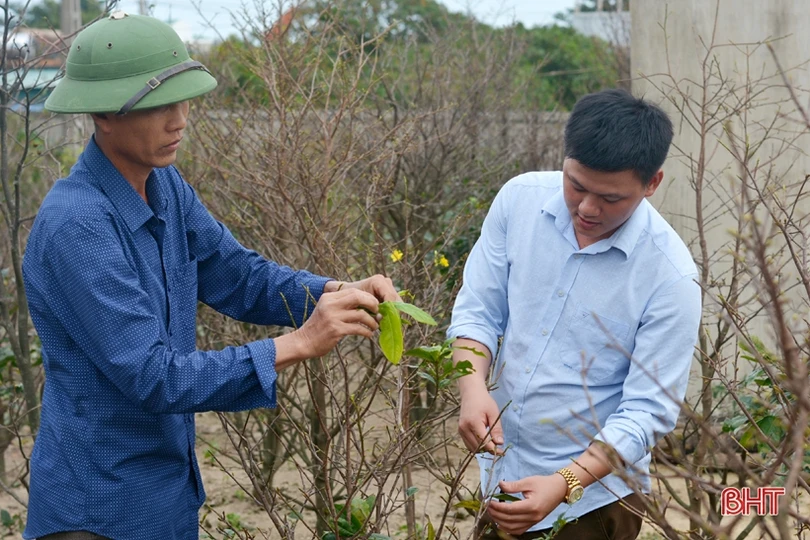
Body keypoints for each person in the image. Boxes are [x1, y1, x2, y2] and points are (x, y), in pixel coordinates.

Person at [22, 12, 399, 540]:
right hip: (98, 512)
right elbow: (156, 376)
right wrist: (299, 343)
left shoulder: (165, 186)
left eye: (184, 101)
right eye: (160, 106)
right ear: (104, 114)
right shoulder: (78, 226)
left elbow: (238, 275)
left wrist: (335, 291)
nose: (180, 120)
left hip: (166, 497)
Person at [448, 88, 702, 539]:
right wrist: (471, 387)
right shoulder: (519, 200)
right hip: (501, 475)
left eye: (610, 198)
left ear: (652, 184)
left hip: (596, 499)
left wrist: (565, 483)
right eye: (576, 185)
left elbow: (647, 410)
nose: (587, 208)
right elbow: (479, 310)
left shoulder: (670, 276)